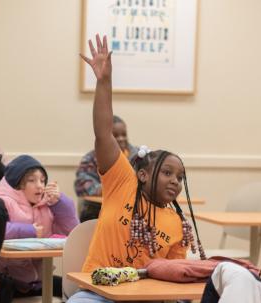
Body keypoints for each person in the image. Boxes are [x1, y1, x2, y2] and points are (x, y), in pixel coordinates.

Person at [67, 34, 204, 303]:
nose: (175, 181)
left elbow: (175, 280)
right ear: (142, 175)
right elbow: (104, 134)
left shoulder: (178, 225)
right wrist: (104, 82)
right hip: (98, 294)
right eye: (167, 173)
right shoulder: (122, 184)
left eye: (180, 177)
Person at [0, 155, 79, 297]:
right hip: (7, 280)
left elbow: (72, 231)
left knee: (75, 290)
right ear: (17, 184)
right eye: (32, 180)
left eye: (43, 180)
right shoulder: (2, 202)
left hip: (39, 280)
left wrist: (60, 203)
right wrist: (29, 231)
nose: (40, 185)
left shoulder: (47, 205)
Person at [75, 115, 138, 222]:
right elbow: (82, 185)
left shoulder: (138, 155)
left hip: (132, 208)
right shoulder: (91, 158)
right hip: (98, 209)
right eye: (115, 135)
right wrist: (114, 189)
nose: (121, 139)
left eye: (124, 135)